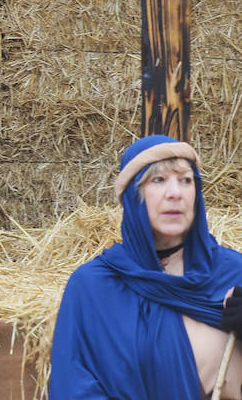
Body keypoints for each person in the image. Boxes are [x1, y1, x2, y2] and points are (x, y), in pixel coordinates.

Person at [50, 135, 242, 399]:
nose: (175, 192)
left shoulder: (233, 273)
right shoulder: (93, 287)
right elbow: (74, 385)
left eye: (185, 180)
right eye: (158, 180)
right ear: (132, 197)